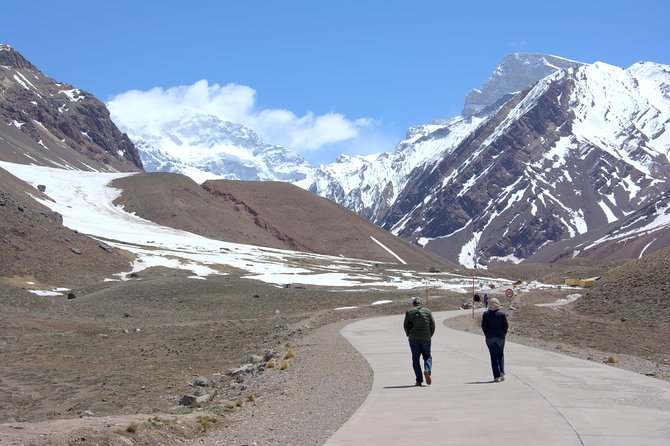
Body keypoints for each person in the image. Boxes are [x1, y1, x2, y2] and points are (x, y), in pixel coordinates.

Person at [403, 296, 435, 386]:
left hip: (413, 339)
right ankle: (427, 370)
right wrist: (429, 335)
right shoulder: (428, 312)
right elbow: (433, 325)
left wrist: (408, 334)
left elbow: (405, 325)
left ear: (413, 304)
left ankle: (419, 380)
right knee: (427, 357)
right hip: (426, 338)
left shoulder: (409, 312)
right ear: (421, 303)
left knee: (415, 360)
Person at [481, 297, 508, 382]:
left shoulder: (486, 314)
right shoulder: (502, 314)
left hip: (489, 338)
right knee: (500, 354)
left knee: (493, 356)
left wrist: (487, 334)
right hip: (500, 337)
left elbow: (483, 326)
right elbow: (506, 326)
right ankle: (502, 372)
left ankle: (496, 376)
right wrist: (503, 334)